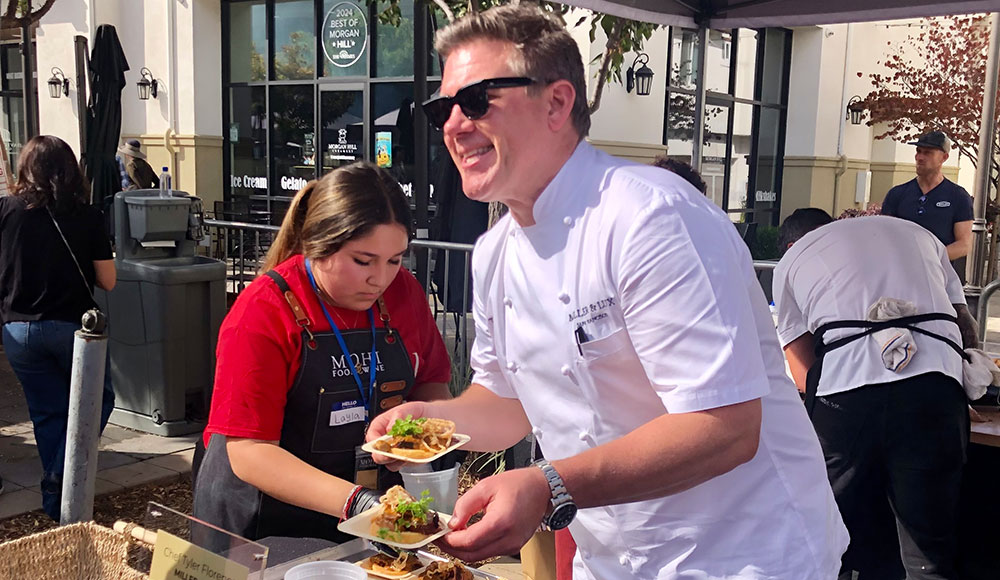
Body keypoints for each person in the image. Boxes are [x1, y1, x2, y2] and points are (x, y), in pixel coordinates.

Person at [368, 6, 848, 579]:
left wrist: (547, 485)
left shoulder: (650, 217)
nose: (454, 125)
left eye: (476, 101)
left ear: (557, 102)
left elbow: (725, 428)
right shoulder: (496, 252)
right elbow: (507, 402)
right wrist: (432, 421)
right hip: (613, 559)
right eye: (442, 108)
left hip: (744, 556)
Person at [192, 161, 452, 542]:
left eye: (395, 260)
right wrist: (359, 504)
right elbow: (249, 452)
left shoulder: (404, 293)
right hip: (264, 520)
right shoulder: (262, 311)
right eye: (362, 261)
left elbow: (432, 383)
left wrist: (415, 441)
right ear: (317, 246)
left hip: (366, 505)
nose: (379, 279)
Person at [773, 209, 977, 580]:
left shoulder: (792, 259)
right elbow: (962, 319)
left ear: (790, 242)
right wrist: (961, 381)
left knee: (827, 534)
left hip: (845, 396)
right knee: (929, 546)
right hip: (934, 388)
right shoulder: (918, 233)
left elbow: (800, 364)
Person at [0, 135, 116, 520]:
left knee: (48, 413)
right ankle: (58, 479)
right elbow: (109, 280)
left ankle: (58, 506)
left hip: (17, 329)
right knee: (96, 401)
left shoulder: (5, 210)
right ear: (69, 170)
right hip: (71, 329)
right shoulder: (86, 215)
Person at [881, 130, 973, 280]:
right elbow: (884, 236)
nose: (920, 157)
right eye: (918, 151)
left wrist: (930, 259)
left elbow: (964, 244)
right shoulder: (897, 194)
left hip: (940, 279)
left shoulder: (958, 196)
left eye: (928, 153)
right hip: (900, 276)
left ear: (944, 157)